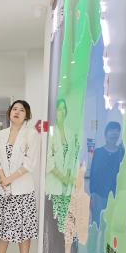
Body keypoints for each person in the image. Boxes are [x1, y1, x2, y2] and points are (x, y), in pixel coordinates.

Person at [0, 100, 40, 253]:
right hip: (3, 190)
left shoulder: (32, 134)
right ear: (9, 112)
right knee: (2, 228)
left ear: (27, 115)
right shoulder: (1, 135)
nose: (17, 112)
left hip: (23, 191)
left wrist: (8, 179)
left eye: (22, 110)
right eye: (14, 109)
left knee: (23, 230)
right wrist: (3, 178)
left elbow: (30, 164)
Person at [86, 121, 124, 253]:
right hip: (99, 196)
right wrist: (93, 194)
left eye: (117, 131)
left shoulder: (121, 153)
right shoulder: (99, 152)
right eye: (111, 130)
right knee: (95, 228)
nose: (114, 133)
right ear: (106, 134)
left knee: (109, 230)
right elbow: (93, 175)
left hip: (115, 198)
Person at [45, 99, 80, 234]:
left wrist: (68, 177)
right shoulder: (50, 132)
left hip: (67, 185)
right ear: (54, 112)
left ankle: (65, 246)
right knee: (54, 222)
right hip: (54, 183)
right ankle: (55, 246)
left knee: (66, 222)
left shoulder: (70, 133)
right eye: (59, 109)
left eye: (64, 108)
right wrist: (62, 178)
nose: (62, 111)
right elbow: (49, 161)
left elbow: (72, 158)